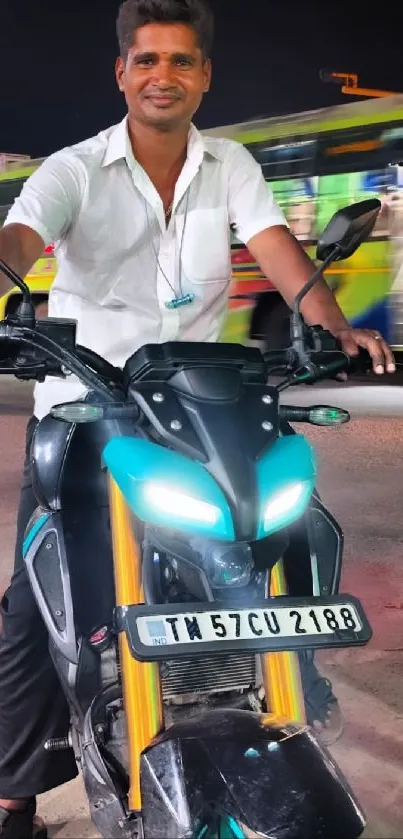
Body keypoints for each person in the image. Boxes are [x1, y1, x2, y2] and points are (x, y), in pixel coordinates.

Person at [0, 0, 395, 835]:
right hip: (86, 408)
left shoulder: (230, 166)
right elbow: (23, 238)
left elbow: (279, 252)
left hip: (190, 409)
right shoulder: (73, 168)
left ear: (203, 75)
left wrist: (332, 328)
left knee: (287, 522)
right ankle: (12, 789)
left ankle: (291, 679)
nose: (162, 76)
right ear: (122, 72)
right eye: (146, 60)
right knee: (39, 604)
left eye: (181, 61)